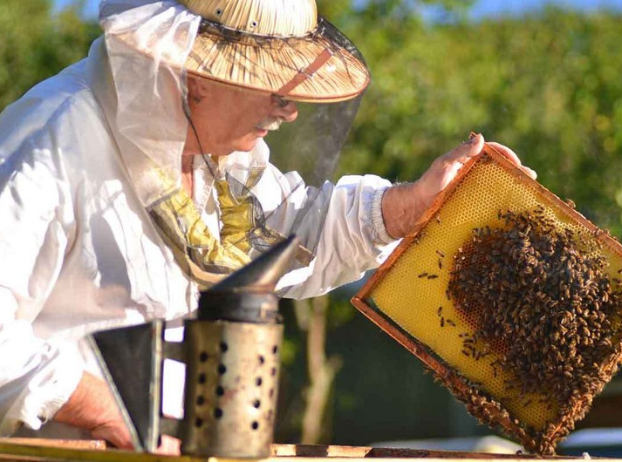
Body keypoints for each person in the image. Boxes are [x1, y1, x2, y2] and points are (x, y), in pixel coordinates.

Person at [0, 0, 535, 451]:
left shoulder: (214, 154)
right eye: (271, 86)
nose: (289, 109)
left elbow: (290, 237)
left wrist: (410, 206)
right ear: (197, 74)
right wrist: (104, 407)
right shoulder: (52, 141)